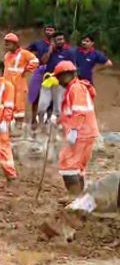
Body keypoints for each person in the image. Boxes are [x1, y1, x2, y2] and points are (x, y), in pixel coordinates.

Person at [54, 61, 98, 195]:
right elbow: (72, 111)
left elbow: (79, 111)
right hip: (86, 132)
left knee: (67, 165)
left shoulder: (75, 88)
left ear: (67, 75)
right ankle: (80, 198)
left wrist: (73, 130)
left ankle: (75, 198)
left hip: (81, 133)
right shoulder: (78, 87)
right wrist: (58, 120)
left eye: (58, 77)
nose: (57, 80)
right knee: (78, 166)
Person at [38, 32, 76, 127]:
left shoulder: (69, 52)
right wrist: (49, 51)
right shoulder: (48, 51)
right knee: (42, 106)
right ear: (53, 41)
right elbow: (43, 62)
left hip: (61, 84)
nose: (60, 41)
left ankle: (58, 126)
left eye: (62, 39)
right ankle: (42, 126)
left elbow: (72, 68)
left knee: (58, 108)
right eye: (58, 40)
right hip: (47, 82)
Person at [3, 33, 39, 133]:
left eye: (8, 43)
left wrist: (27, 69)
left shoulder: (24, 53)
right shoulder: (7, 55)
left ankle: (18, 128)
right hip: (8, 85)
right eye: (6, 43)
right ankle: (9, 128)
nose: (6, 45)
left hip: (19, 85)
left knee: (19, 106)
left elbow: (35, 60)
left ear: (15, 43)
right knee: (8, 106)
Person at [27, 24, 57, 127]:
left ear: (55, 32)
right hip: (40, 71)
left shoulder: (59, 45)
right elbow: (26, 51)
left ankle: (47, 120)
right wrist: (33, 59)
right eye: (47, 30)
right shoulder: (38, 43)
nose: (49, 32)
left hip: (53, 73)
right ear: (44, 31)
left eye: (51, 30)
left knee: (52, 97)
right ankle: (34, 119)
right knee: (35, 95)